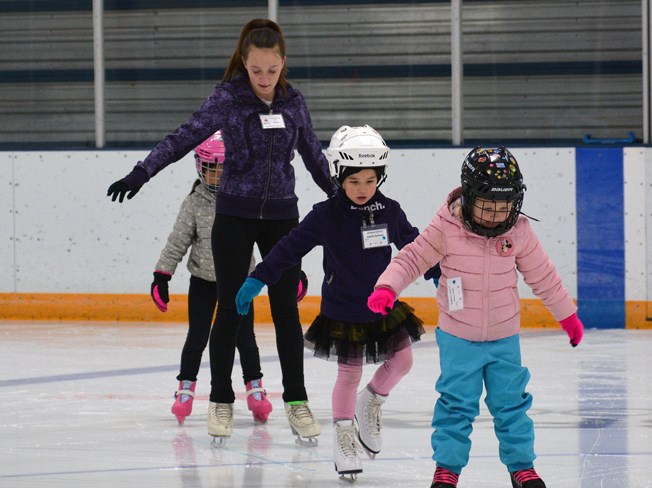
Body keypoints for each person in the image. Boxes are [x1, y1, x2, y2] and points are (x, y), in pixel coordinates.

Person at [106, 18, 334, 445]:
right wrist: (142, 172)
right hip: (234, 214)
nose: (265, 80)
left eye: (272, 70)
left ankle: (298, 403)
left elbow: (314, 158)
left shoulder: (293, 102)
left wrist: (342, 198)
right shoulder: (228, 98)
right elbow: (184, 136)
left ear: (283, 63)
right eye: (256, 71)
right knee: (231, 308)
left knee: (286, 310)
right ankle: (222, 401)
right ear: (243, 64)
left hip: (283, 215)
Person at [367, 146, 585, 488]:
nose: (496, 215)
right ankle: (447, 469)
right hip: (458, 338)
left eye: (504, 206)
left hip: (504, 338)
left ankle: (522, 467)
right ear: (469, 198)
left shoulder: (519, 232)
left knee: (512, 405)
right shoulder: (446, 227)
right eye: (487, 206)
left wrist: (567, 316)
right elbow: (411, 259)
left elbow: (543, 276)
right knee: (456, 406)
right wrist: (387, 288)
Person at [235, 125, 438, 479]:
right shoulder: (325, 215)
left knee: (403, 361)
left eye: (370, 181)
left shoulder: (389, 210)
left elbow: (414, 245)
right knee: (349, 373)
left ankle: (371, 399)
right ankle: (344, 437)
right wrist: (259, 277)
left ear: (380, 178)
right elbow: (289, 247)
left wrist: (436, 270)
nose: (362, 189)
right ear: (340, 177)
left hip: (382, 306)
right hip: (343, 309)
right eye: (354, 181)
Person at [150, 131, 273, 425]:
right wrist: (162, 275)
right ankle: (185, 389)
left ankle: (255, 389)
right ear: (200, 167)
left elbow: (269, 240)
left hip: (241, 284)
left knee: (245, 338)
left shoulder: (247, 199)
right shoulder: (195, 203)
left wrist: (288, 272)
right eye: (212, 169)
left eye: (224, 169)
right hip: (203, 282)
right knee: (197, 337)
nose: (218, 175)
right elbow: (178, 240)